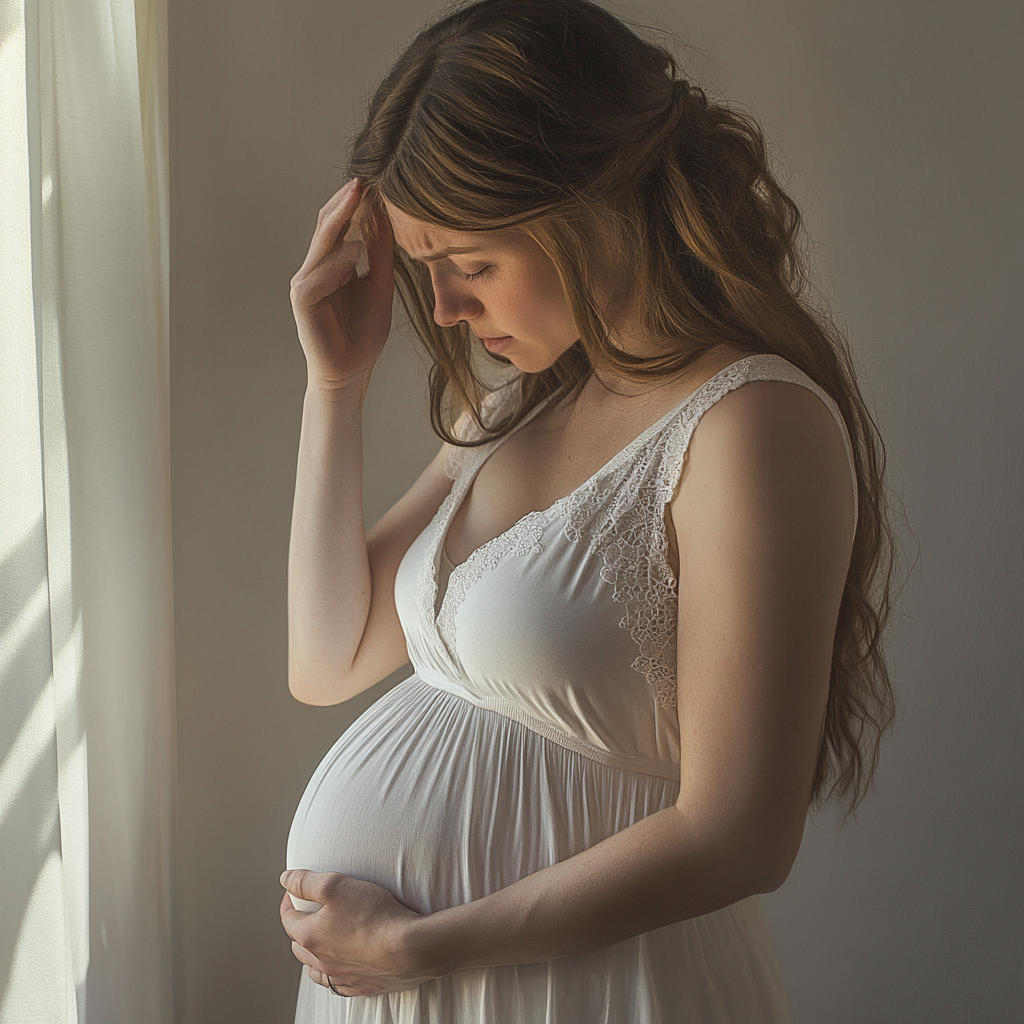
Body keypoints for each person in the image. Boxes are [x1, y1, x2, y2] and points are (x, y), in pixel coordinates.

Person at [278, 0, 897, 1020]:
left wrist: (421, 945)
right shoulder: (523, 400)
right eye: (425, 269)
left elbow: (742, 830)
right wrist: (333, 388)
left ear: (595, 207)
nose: (442, 311)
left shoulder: (749, 427)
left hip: (586, 989)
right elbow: (327, 655)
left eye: (470, 264)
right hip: (397, 983)